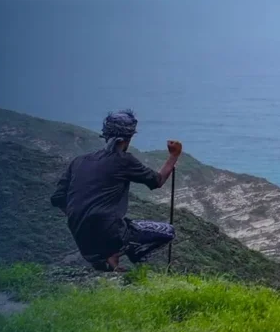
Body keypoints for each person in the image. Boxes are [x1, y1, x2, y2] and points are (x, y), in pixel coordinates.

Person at [51, 109, 182, 272]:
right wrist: (174, 155)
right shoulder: (123, 160)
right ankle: (117, 253)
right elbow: (158, 180)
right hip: (110, 234)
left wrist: (83, 216)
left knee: (122, 225)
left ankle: (109, 260)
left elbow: (57, 198)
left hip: (82, 238)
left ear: (105, 135)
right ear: (129, 137)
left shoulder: (78, 161)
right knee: (168, 232)